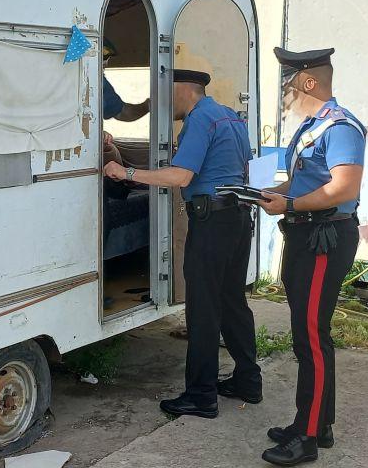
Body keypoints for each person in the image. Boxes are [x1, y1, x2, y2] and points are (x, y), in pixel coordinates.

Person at [104, 69, 262, 419]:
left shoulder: (199, 120)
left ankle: (201, 395)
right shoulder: (230, 118)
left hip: (213, 223)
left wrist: (125, 173)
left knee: (203, 309)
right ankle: (248, 381)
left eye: (165, 92)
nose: (162, 101)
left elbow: (180, 176)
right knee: (233, 301)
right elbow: (246, 168)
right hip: (238, 219)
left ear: (181, 90)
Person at [257, 47, 366, 467]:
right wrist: (274, 195)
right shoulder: (312, 128)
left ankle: (307, 435)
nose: (284, 94)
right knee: (307, 335)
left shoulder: (340, 128)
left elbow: (343, 189)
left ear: (307, 82)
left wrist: (288, 206)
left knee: (312, 336)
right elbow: (305, 182)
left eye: (287, 86)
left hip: (325, 238)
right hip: (306, 235)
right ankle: (316, 422)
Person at [101, 38, 150, 167]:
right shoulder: (97, 80)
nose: (106, 65)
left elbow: (120, 111)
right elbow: (123, 113)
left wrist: (147, 105)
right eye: (105, 59)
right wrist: (148, 106)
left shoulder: (99, 81)